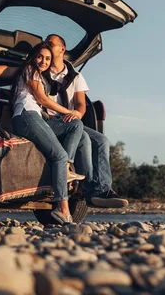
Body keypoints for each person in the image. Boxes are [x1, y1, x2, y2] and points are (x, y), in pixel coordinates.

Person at [0, 43, 84, 224]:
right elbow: (39, 96)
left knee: (75, 125)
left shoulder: (41, 76)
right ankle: (62, 208)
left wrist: (72, 116)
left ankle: (66, 169)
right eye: (40, 56)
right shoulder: (30, 69)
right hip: (26, 116)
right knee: (59, 155)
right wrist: (68, 112)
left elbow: (6, 70)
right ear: (33, 57)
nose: (43, 61)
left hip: (37, 118)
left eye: (47, 59)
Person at [44, 34, 129, 208]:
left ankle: (102, 189)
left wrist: (77, 114)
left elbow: (81, 104)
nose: (46, 46)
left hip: (70, 119)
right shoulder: (41, 69)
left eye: (50, 44)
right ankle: (87, 186)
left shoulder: (75, 76)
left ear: (62, 49)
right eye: (45, 44)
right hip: (49, 120)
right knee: (83, 137)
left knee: (101, 140)